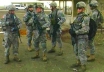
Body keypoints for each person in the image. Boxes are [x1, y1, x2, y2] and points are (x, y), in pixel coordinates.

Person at [69, 1, 90, 72]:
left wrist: (75, 32)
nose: (78, 10)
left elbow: (86, 29)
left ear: (83, 9)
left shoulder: (85, 17)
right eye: (77, 8)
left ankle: (83, 66)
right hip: (76, 37)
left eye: (80, 8)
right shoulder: (78, 17)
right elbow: (76, 26)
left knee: (81, 51)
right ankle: (78, 62)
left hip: (82, 38)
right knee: (76, 50)